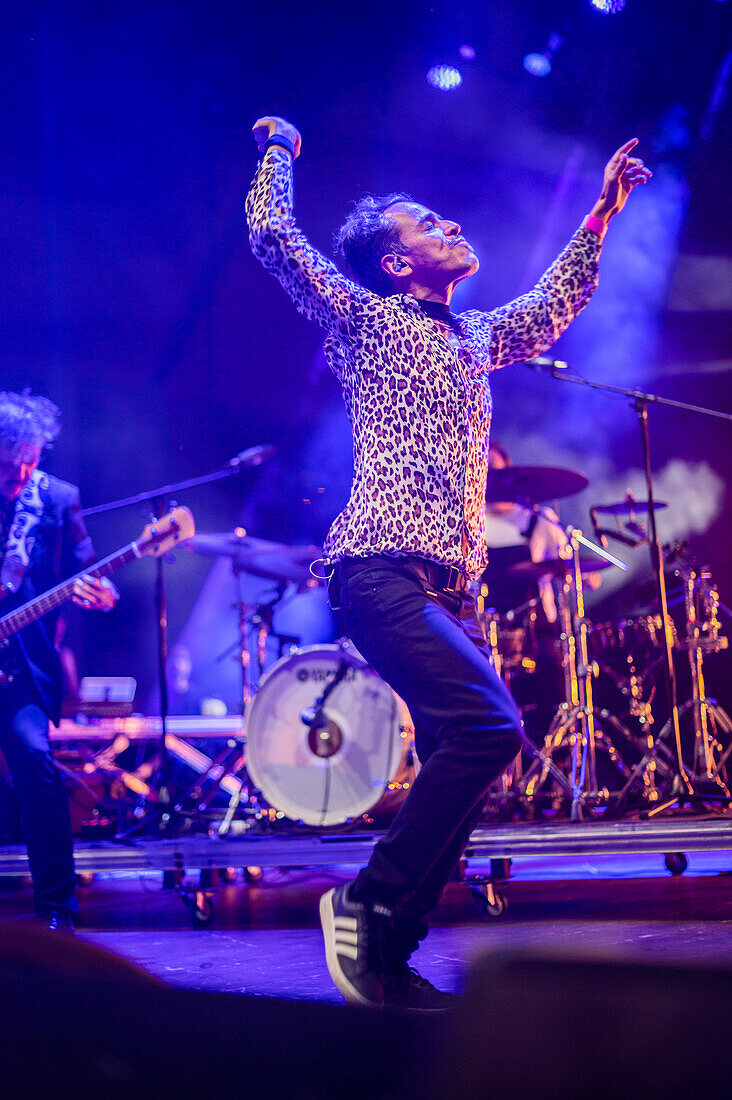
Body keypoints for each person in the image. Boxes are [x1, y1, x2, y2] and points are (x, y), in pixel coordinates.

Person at [246, 118, 650, 1009]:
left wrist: (604, 211)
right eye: (429, 225)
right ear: (396, 263)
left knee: (463, 779)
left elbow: (551, 307)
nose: (452, 227)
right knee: (488, 730)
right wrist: (280, 148)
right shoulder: (366, 318)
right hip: (381, 570)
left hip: (453, 585)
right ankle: (366, 899)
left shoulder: (469, 339)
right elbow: (274, 237)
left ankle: (384, 957)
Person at [0, 391, 118, 930]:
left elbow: (88, 570)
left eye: (29, 462)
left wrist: (103, 593)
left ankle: (56, 909)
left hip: (21, 669)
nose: (20, 476)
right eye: (8, 467)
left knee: (34, 762)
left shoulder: (58, 497)